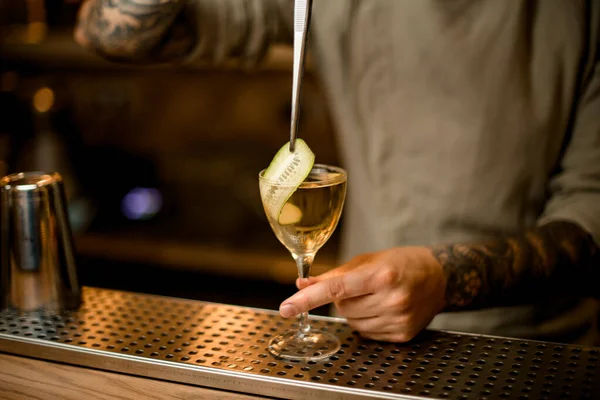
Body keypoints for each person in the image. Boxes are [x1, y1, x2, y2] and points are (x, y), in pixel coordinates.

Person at [74, 0, 600, 345]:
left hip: (532, 347)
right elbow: (116, 35)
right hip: (358, 334)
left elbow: (591, 223)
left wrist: (444, 279)